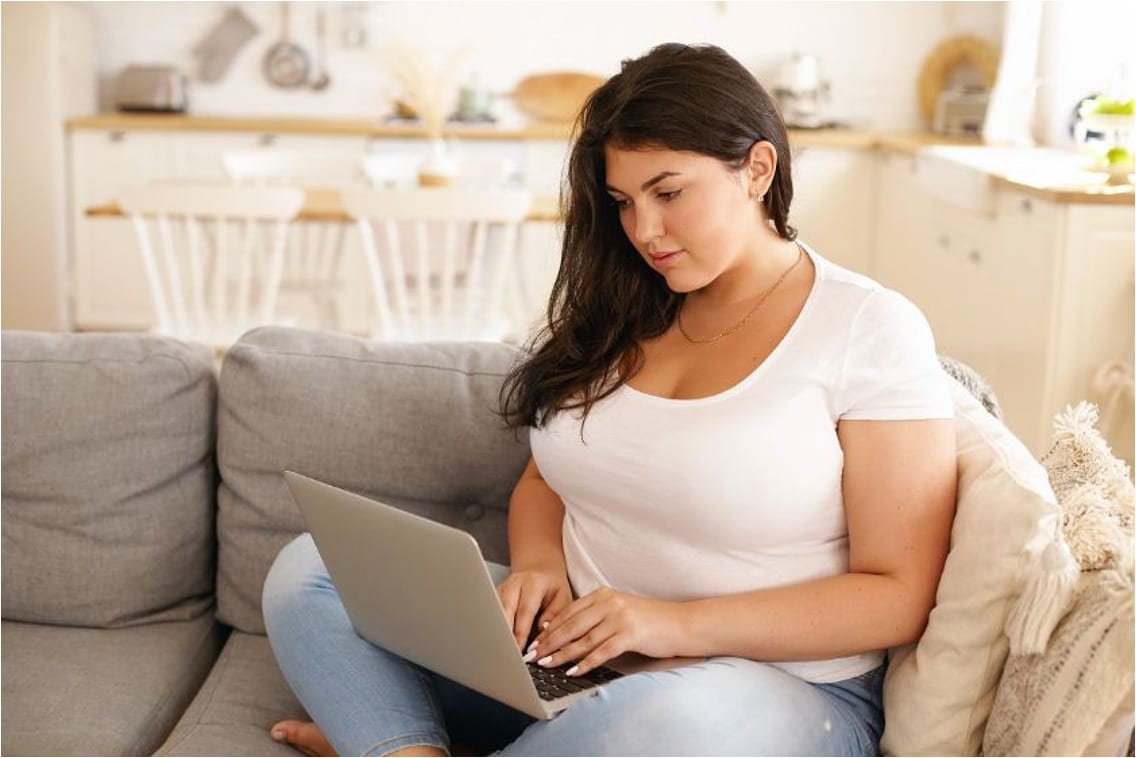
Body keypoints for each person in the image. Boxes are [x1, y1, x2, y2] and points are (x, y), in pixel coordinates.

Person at [262, 42, 958, 757]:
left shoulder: (868, 327)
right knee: (313, 570)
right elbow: (550, 475)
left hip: (765, 696)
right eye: (623, 203)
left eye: (668, 192)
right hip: (571, 667)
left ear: (757, 168)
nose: (644, 232)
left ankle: (386, 739)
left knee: (665, 723)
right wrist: (538, 567)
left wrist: (673, 625)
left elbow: (897, 594)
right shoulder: (621, 307)